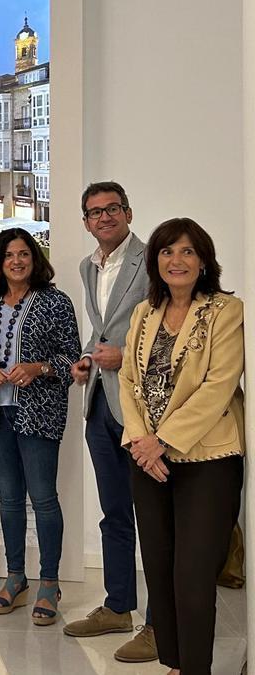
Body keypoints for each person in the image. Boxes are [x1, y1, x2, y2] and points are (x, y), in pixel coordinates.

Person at [118, 218, 244, 675]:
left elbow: (218, 385)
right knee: (160, 569)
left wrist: (162, 441)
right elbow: (129, 381)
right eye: (168, 251)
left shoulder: (226, 311)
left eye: (188, 251)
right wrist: (141, 442)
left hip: (207, 459)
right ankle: (174, 663)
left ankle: (195, 669)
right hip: (146, 461)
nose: (177, 260)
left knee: (193, 576)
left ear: (204, 260)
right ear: (155, 261)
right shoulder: (143, 313)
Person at [0, 228, 80, 626]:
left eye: (24, 254)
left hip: (39, 415)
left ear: (35, 259)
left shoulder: (55, 302)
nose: (17, 261)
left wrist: (39, 368)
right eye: (9, 255)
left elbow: (73, 362)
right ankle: (16, 578)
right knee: (10, 499)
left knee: (44, 499)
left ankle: (50, 582)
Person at [65, 182, 157, 661]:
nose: (103, 218)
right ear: (85, 222)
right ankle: (119, 606)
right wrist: (86, 359)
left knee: (157, 519)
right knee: (115, 513)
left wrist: (127, 356)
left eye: (112, 209)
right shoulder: (87, 266)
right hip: (100, 404)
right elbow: (99, 331)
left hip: (142, 408)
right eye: (94, 212)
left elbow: (166, 329)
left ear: (128, 212)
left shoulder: (153, 259)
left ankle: (163, 625)